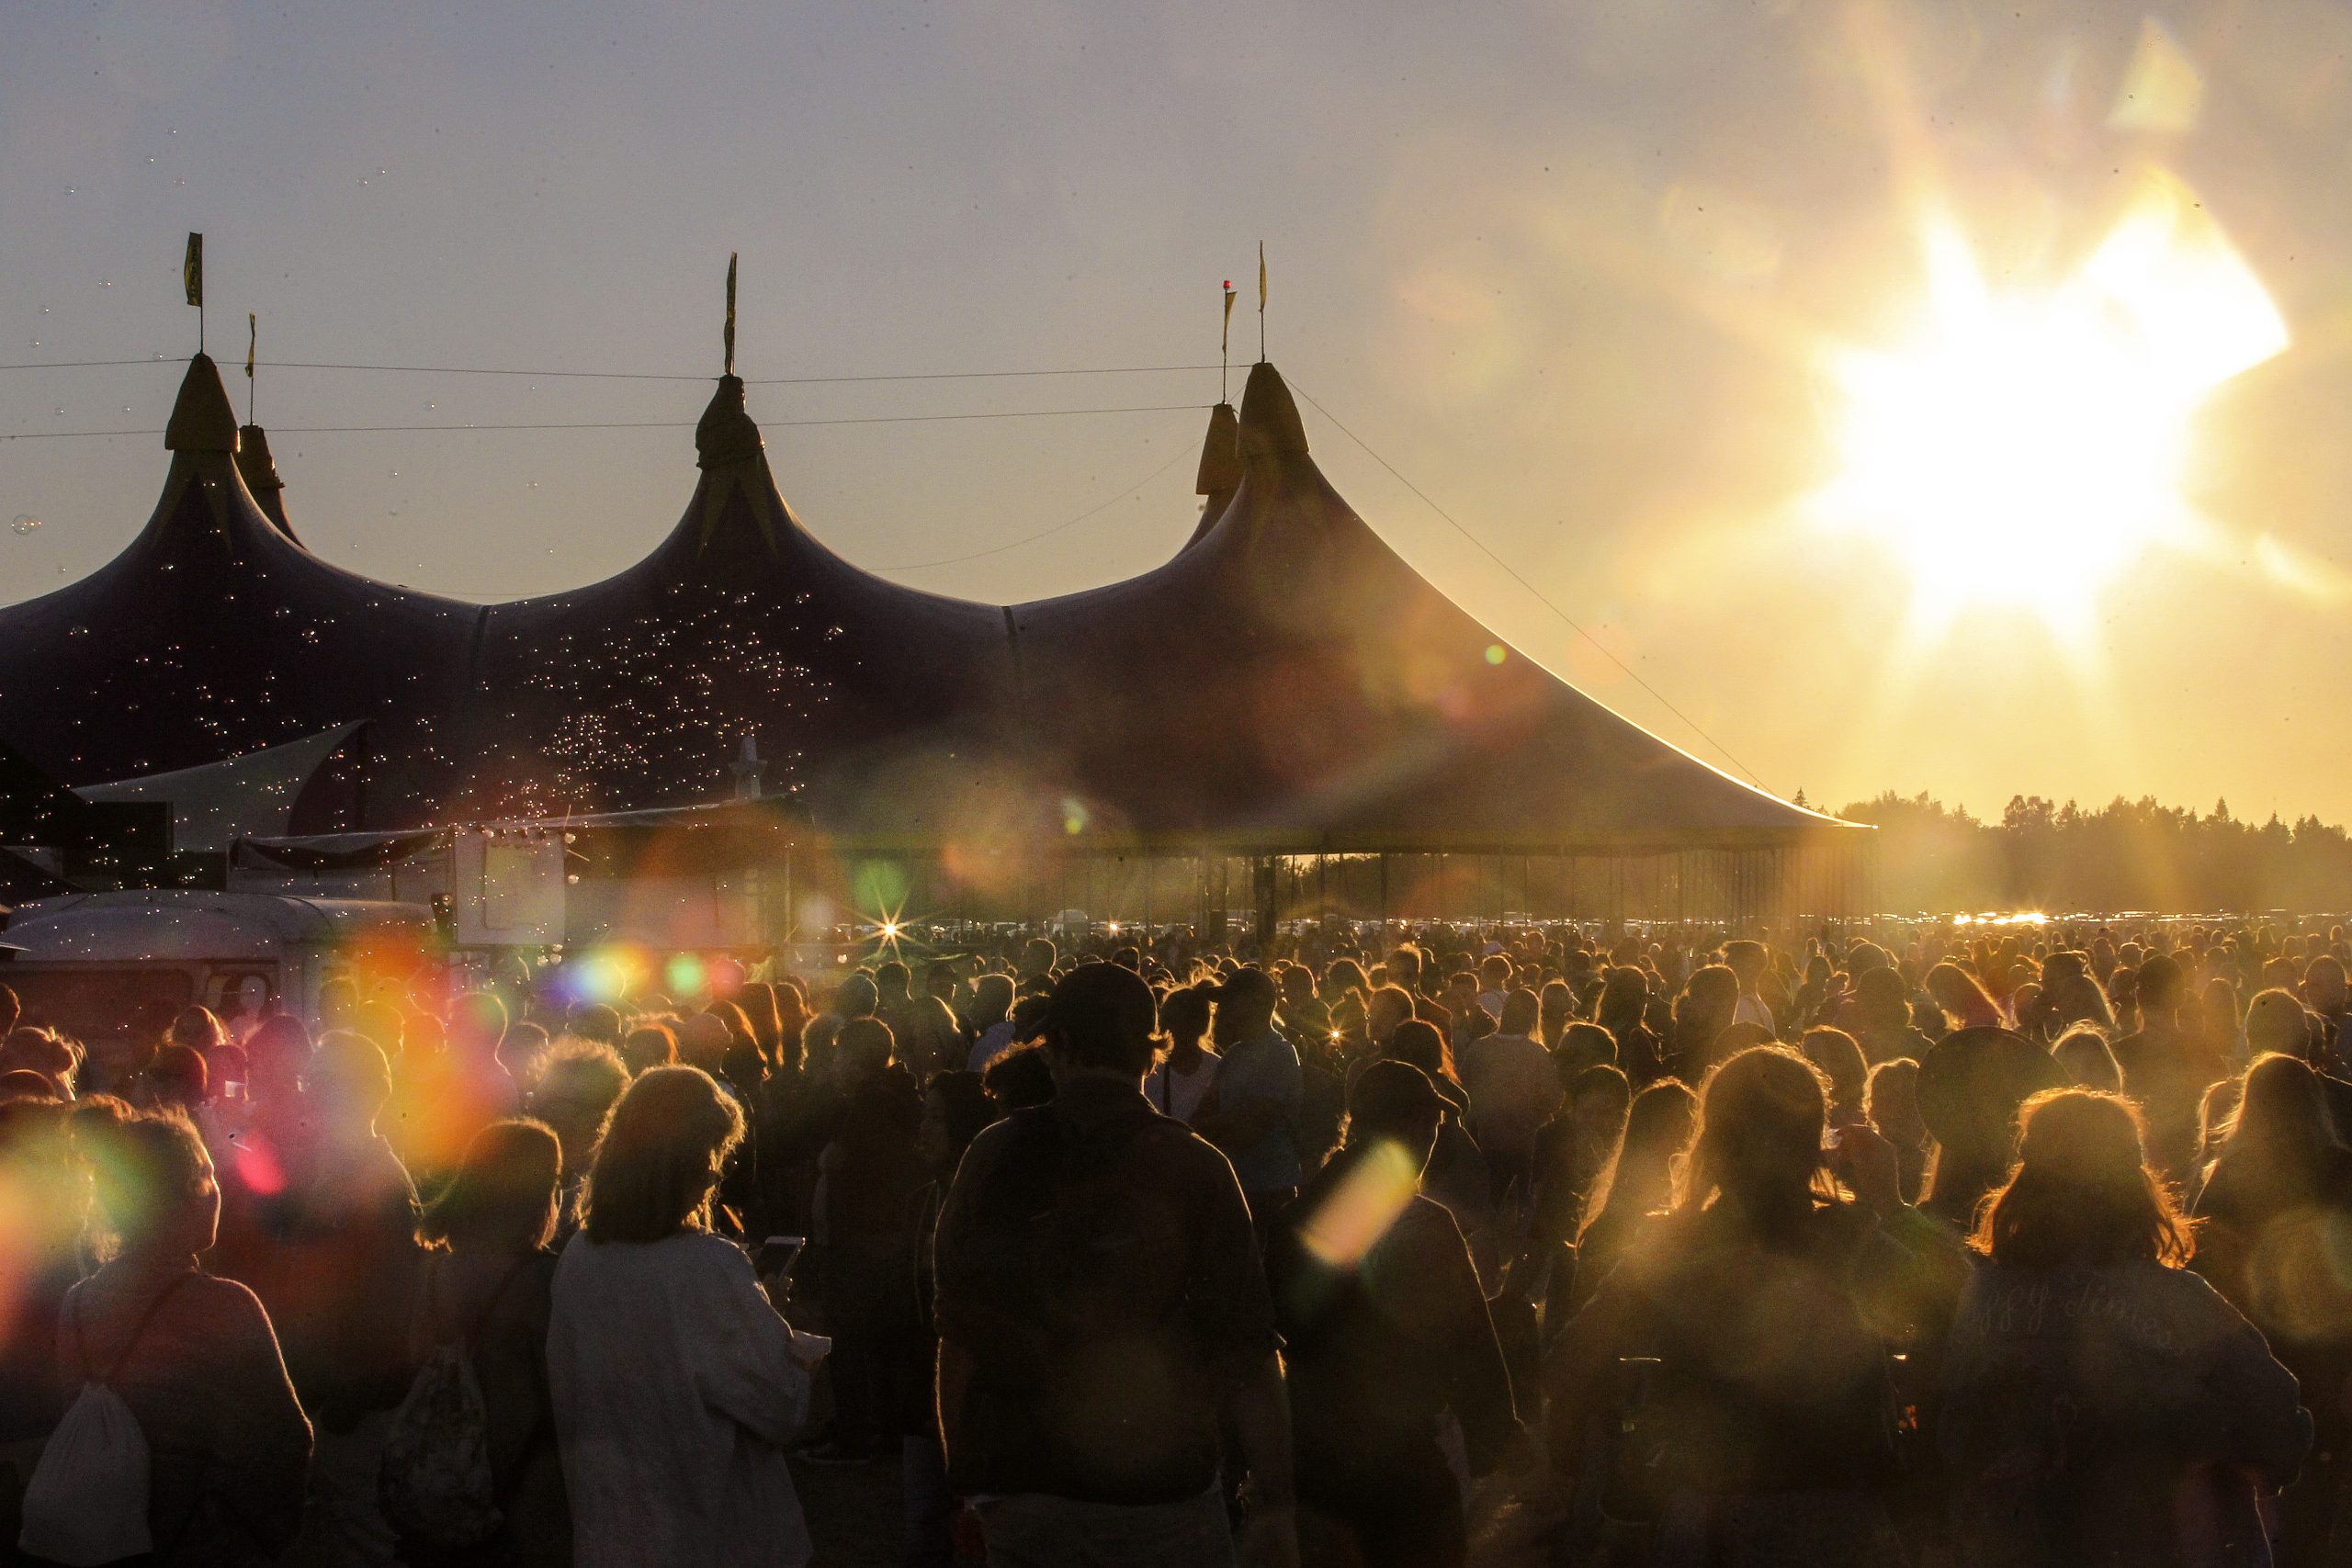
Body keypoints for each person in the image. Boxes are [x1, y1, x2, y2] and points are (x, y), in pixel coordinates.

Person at [933, 963, 1295, 1567]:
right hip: (1165, 1496)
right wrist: (1277, 1503)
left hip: (1027, 1493)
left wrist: (965, 1485)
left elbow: (958, 1337)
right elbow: (1249, 1351)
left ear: (1059, 1046)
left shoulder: (994, 1154)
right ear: (1151, 1051)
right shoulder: (1198, 1165)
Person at [1547, 1048, 1930, 1564]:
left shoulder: (1676, 1246)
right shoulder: (1851, 1239)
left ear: (1713, 1142)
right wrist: (1894, 1206)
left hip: (1711, 1519)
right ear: (1813, 1147)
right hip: (1836, 1516)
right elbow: (1951, 1307)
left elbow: (1570, 1359)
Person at [1941, 1089, 2312, 1568]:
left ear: (2026, 1182)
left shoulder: (1984, 1294)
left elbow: (1952, 1429)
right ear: (2132, 1186)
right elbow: (2279, 1418)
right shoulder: (2177, 1301)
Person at [548, 1066, 818, 1566]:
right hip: (712, 1533)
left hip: (613, 1530)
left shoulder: (579, 1257)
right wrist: (776, 1323)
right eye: (711, 1157)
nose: (716, 1175)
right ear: (685, 1164)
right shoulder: (706, 1267)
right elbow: (779, 1406)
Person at [1265, 1061, 1519, 1568]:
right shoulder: (1424, 1224)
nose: (1436, 1139)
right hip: (1403, 1459)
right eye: (1435, 1125)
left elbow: (1278, 1327)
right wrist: (1498, 1434)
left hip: (1316, 1455)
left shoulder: (1296, 1216)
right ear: (1415, 1126)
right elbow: (1470, 1340)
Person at [49, 1108, 312, 1561]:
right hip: (204, 1542)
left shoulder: (76, 1304)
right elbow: (285, 1441)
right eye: (206, 1176)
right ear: (181, 1195)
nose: (217, 1190)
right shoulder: (227, 1306)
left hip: (107, 1541)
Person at [2192, 1054, 2352, 1565]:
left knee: (2261, 1488)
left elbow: (2202, 1272)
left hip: (2254, 1352)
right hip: (2330, 1352)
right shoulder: (2341, 1169)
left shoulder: (2228, 1175)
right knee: (2321, 1481)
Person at [403, 1119, 570, 1568]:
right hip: (528, 1490)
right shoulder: (544, 1280)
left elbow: (417, 1359)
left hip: (448, 1484)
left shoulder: (437, 1273)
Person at [1195, 966, 1306, 1224]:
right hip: (1236, 1186)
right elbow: (1206, 1110)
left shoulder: (1279, 1053)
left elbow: (1252, 1127)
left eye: (1230, 1000)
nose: (1222, 1008)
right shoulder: (1234, 1054)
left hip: (1269, 1191)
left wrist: (1206, 1129)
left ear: (1255, 1003)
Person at [1457, 988, 1560, 1195]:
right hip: (1526, 1142)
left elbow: (1464, 1090)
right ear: (1534, 1017)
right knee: (1520, 1201)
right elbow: (1553, 1099)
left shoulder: (1479, 1047)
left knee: (1489, 1199)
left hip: (1484, 1138)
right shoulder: (1538, 1053)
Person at [1144, 983, 1220, 1124]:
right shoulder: (1150, 1068)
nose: (1163, 1028)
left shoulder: (1219, 1069)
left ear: (1198, 1025)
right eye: (1163, 1020)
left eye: (1171, 1020)